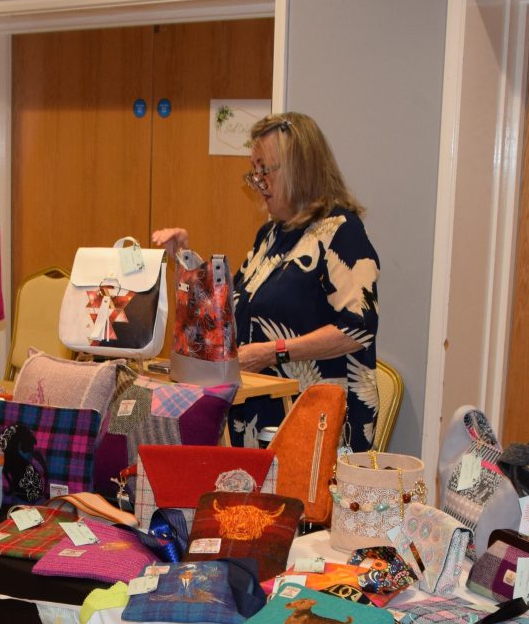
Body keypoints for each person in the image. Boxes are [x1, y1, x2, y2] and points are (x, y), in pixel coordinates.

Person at [153, 112, 380, 451]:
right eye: (254, 171)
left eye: (265, 171)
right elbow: (228, 312)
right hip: (261, 415)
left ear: (299, 169)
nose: (258, 183)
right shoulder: (271, 236)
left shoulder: (341, 232)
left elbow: (358, 328)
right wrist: (186, 259)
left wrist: (273, 353)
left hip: (317, 423)